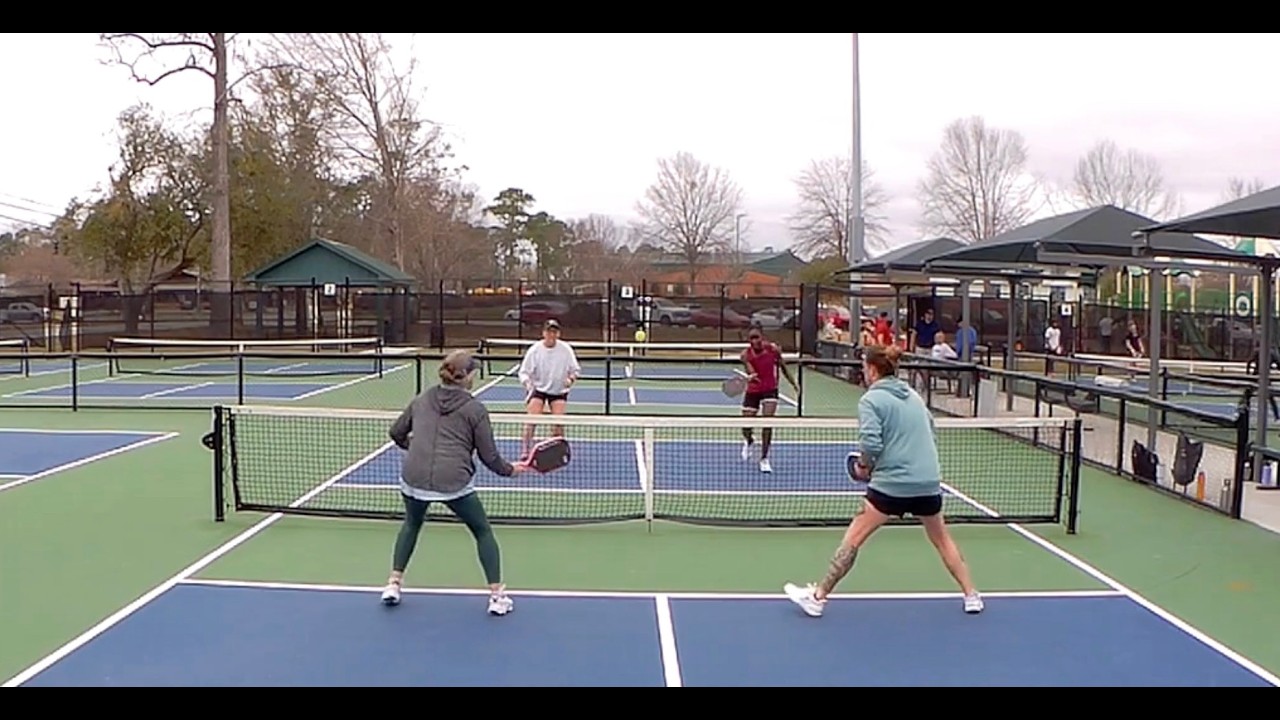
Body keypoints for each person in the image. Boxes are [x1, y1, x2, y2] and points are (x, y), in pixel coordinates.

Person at [783, 344, 983, 617]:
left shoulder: (870, 400)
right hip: (928, 482)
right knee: (942, 539)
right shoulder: (913, 396)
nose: (863, 373)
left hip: (891, 486)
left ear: (873, 370)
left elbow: (871, 443)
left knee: (853, 538)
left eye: (864, 367)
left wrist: (864, 466)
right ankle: (972, 595)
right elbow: (930, 433)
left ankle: (817, 598)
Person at [381, 350, 529, 614]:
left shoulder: (422, 398)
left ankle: (393, 584)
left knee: (412, 523)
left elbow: (396, 432)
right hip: (453, 481)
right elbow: (490, 456)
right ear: (467, 377)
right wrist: (512, 471)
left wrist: (413, 446)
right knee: (482, 531)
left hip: (413, 475)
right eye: (474, 372)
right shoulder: (475, 409)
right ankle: (497, 597)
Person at [518, 319, 582, 455]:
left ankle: (558, 450)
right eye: (549, 331)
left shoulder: (566, 350)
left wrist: (570, 379)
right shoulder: (535, 350)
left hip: (558, 391)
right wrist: (528, 385)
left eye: (554, 332)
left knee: (558, 423)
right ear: (543, 333)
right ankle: (525, 450)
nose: (551, 335)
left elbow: (575, 370)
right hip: (539, 390)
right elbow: (524, 372)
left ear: (558, 334)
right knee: (531, 420)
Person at [739, 326, 798, 473]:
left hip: (770, 390)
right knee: (745, 426)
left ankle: (764, 459)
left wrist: (794, 384)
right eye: (752, 338)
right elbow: (750, 370)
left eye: (757, 337)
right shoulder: (745, 355)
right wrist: (752, 375)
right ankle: (749, 439)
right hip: (753, 390)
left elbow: (783, 367)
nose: (755, 341)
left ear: (762, 337)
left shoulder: (773, 350)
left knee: (768, 422)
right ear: (749, 341)